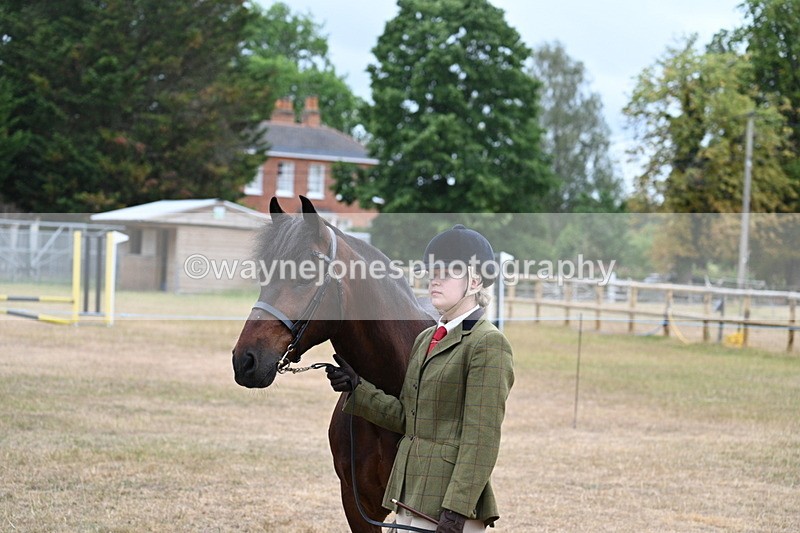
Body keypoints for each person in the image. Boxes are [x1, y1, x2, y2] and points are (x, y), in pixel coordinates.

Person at [326, 225, 515, 533]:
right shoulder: (426, 339)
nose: (435, 279)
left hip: (449, 511)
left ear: (475, 281)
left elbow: (482, 439)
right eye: (433, 271)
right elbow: (408, 418)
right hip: (409, 499)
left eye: (448, 272)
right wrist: (357, 389)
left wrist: (456, 511)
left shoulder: (488, 344)